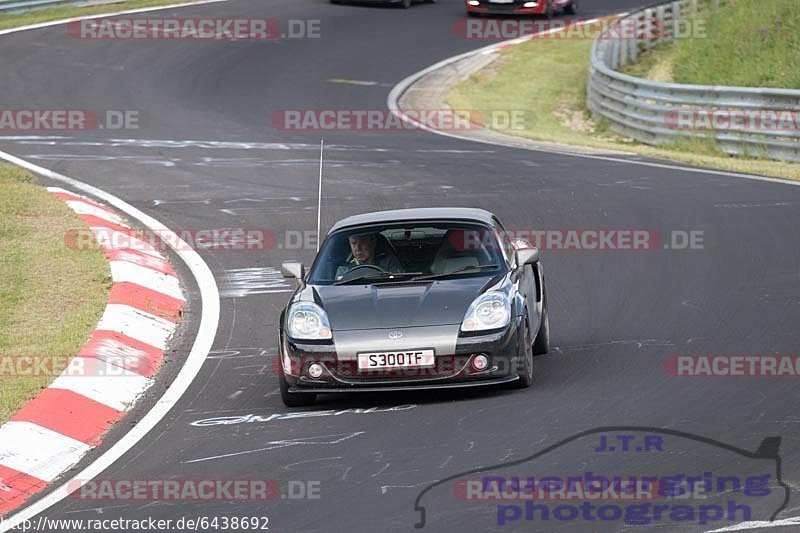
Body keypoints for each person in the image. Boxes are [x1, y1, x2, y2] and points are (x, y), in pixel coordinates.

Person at [338, 232, 403, 276]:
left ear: (373, 243)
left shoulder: (389, 263)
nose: (358, 248)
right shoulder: (344, 269)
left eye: (363, 242)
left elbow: (398, 284)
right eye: (354, 243)